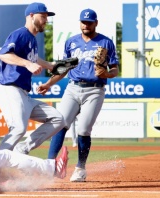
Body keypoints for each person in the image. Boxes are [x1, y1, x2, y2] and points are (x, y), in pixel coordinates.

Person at [37, 8, 119, 182]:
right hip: (73, 88)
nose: (86, 25)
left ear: (96, 23)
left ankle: (80, 168)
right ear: (80, 22)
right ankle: (50, 165)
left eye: (89, 22)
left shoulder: (106, 42)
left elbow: (115, 69)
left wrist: (107, 74)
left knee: (83, 129)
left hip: (95, 89)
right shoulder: (71, 42)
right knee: (59, 123)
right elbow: (64, 69)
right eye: (83, 22)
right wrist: (48, 84)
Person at [0, 2, 66, 154]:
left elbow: (34, 58)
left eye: (46, 17)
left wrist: (50, 65)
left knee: (57, 119)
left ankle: (22, 149)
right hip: (9, 88)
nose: (46, 20)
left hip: (23, 94)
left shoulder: (32, 39)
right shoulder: (21, 34)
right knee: (18, 128)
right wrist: (27, 64)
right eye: (43, 16)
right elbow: (3, 54)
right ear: (31, 16)